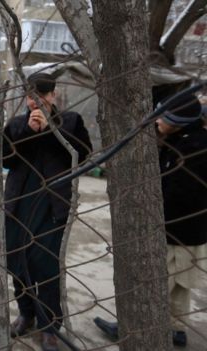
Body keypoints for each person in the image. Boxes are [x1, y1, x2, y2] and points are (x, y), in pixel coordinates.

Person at [94, 93, 207, 347]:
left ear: (178, 122)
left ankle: (131, 327)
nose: (158, 122)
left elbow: (179, 193)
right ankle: (175, 329)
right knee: (177, 285)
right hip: (190, 231)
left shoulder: (193, 149)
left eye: (163, 119)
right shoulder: (184, 141)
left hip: (176, 231)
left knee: (157, 282)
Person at [3, 73, 92, 351]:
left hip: (52, 205)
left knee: (47, 267)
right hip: (19, 203)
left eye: (41, 95)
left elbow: (83, 152)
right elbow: (5, 158)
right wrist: (28, 132)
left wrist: (51, 131)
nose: (35, 102)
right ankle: (26, 313)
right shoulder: (16, 124)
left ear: (52, 95)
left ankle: (50, 326)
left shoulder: (71, 120)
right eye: (30, 96)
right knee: (18, 264)